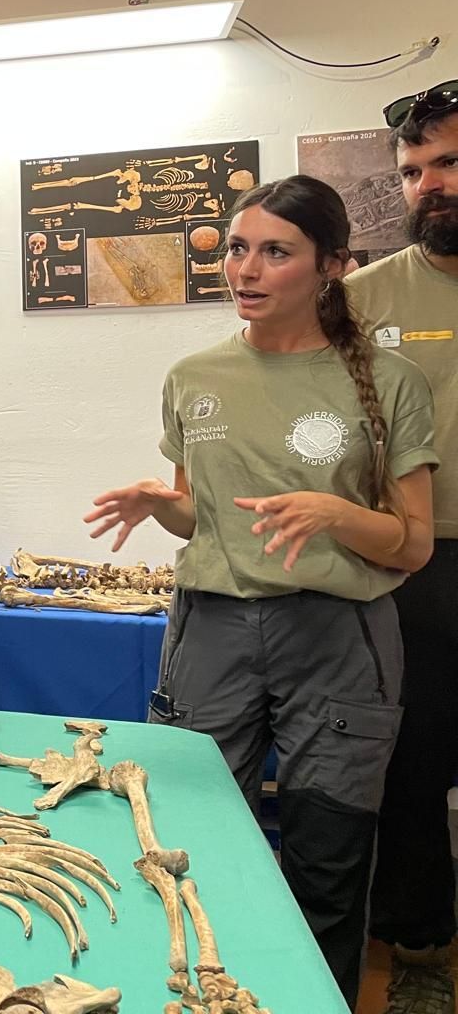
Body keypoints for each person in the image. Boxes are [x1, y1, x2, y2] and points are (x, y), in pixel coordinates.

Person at [87, 174, 437, 1005]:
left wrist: (337, 515)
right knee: (196, 843)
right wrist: (160, 504)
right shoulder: (195, 376)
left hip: (338, 640)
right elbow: (206, 521)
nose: (245, 268)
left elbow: (414, 543)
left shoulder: (389, 382)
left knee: (327, 860)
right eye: (238, 248)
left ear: (331, 267)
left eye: (275, 252)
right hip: (212, 632)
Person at [346, 80, 458, 1014]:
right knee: (413, 766)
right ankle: (420, 953)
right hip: (414, 565)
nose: (431, 186)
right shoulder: (361, 301)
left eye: (449, 163)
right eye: (416, 171)